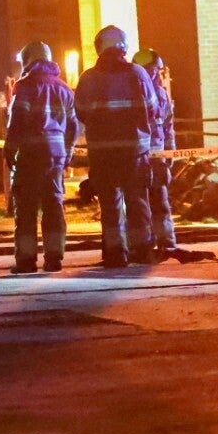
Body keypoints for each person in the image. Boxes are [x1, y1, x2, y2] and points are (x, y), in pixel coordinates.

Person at [74, 25, 157, 267]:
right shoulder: (138, 74)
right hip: (134, 151)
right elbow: (152, 108)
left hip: (103, 153)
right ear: (123, 45)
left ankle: (115, 253)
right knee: (137, 201)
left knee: (110, 204)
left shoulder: (88, 78)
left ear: (99, 47)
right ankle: (142, 250)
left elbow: (80, 112)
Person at [5, 40, 79, 273]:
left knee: (26, 208)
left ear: (28, 60)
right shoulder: (64, 88)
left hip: (30, 155)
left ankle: (26, 260)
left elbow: (17, 120)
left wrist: (10, 148)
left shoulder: (25, 86)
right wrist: (67, 152)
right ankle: (54, 258)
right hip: (56, 156)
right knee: (53, 205)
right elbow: (73, 126)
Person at [132, 47, 179, 260]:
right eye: (152, 70)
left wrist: (169, 153)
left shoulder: (161, 94)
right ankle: (142, 245)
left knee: (160, 201)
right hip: (138, 155)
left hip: (157, 156)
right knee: (138, 203)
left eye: (156, 70)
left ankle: (166, 242)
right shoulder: (134, 93)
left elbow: (167, 126)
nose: (156, 74)